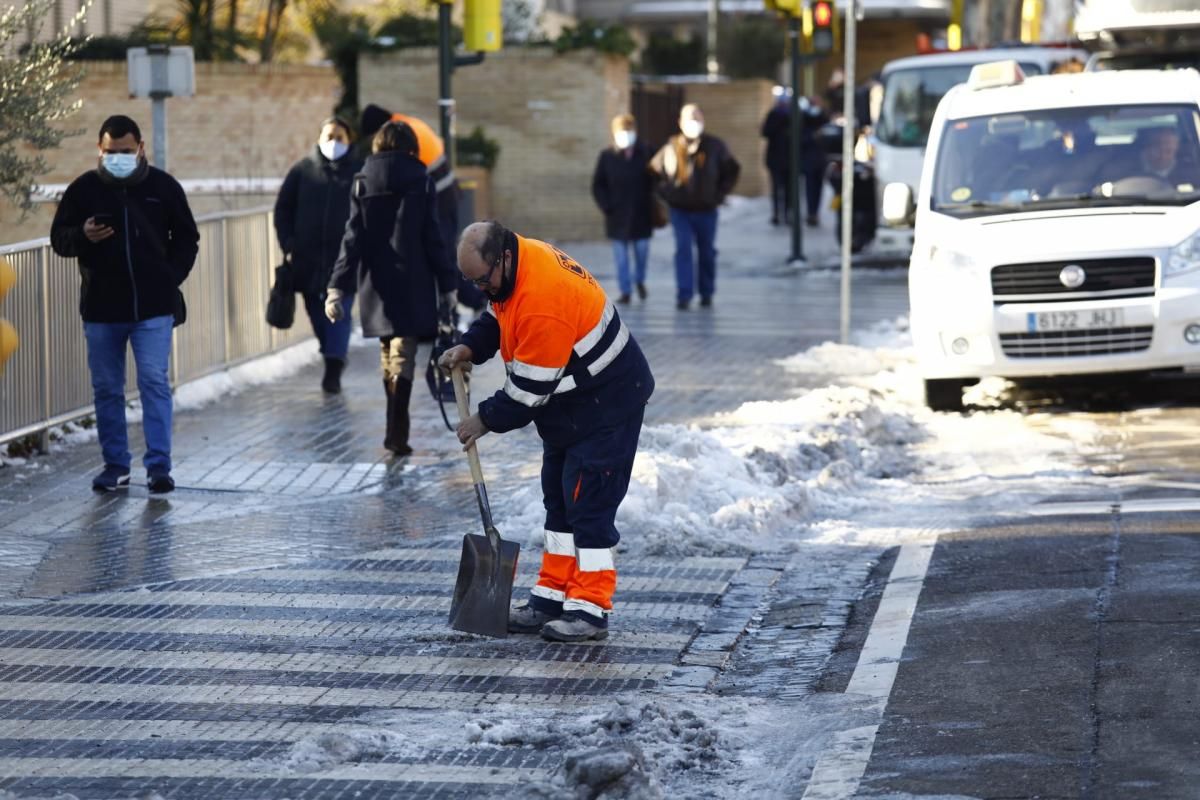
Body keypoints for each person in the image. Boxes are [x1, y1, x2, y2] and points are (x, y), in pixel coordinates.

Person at [438, 221, 655, 643]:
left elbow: (528, 392)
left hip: (606, 405)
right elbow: (501, 317)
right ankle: (551, 599)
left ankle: (589, 610)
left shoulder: (543, 297)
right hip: (571, 408)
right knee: (559, 501)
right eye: (471, 282)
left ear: (500, 258)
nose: (480, 289)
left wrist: (481, 421)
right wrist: (470, 346)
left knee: (589, 507)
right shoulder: (517, 265)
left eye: (481, 279)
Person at [49, 114, 199, 494]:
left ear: (141, 149)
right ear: (100, 150)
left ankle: (159, 468)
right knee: (107, 388)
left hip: (153, 308)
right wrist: (83, 235)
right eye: (112, 152)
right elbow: (59, 240)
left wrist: (170, 277)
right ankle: (115, 465)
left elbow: (187, 237)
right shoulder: (83, 190)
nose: (119, 157)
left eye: (126, 151)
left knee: (153, 381)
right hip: (101, 308)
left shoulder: (163, 187)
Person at [326, 120, 457, 457]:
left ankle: (394, 429)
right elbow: (433, 237)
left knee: (391, 354)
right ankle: (396, 432)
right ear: (411, 146)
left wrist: (337, 287)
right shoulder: (421, 180)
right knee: (402, 355)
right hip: (412, 278)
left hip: (376, 281)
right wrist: (448, 285)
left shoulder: (361, 181)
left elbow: (351, 237)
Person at [273, 116, 363, 394]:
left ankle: (334, 366)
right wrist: (289, 242)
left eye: (340, 138)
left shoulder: (359, 172)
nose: (333, 143)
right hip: (307, 259)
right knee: (316, 313)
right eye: (329, 137)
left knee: (340, 313)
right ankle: (331, 354)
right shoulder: (302, 171)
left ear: (349, 141)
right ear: (319, 139)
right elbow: (283, 209)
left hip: (345, 259)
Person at [650, 104, 740, 311]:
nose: (693, 122)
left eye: (696, 117)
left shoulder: (715, 145)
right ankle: (684, 294)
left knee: (707, 252)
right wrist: (668, 194)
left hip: (707, 210)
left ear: (703, 120)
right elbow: (654, 173)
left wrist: (719, 195)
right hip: (680, 210)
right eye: (688, 118)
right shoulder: (671, 147)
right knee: (683, 250)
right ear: (680, 123)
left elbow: (732, 170)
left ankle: (706, 293)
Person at [591, 113, 654, 304]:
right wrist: (606, 205)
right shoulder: (607, 156)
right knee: (621, 258)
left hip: (641, 213)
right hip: (616, 215)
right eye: (622, 131)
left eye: (629, 130)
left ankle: (640, 280)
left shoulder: (646, 152)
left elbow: (657, 178)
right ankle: (625, 290)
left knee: (642, 253)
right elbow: (598, 184)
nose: (626, 134)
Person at [761, 88, 792, 226]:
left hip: (790, 159)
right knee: (776, 188)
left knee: (788, 189)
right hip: (775, 158)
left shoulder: (792, 115)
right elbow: (765, 132)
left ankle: (787, 213)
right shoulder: (773, 115)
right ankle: (776, 213)